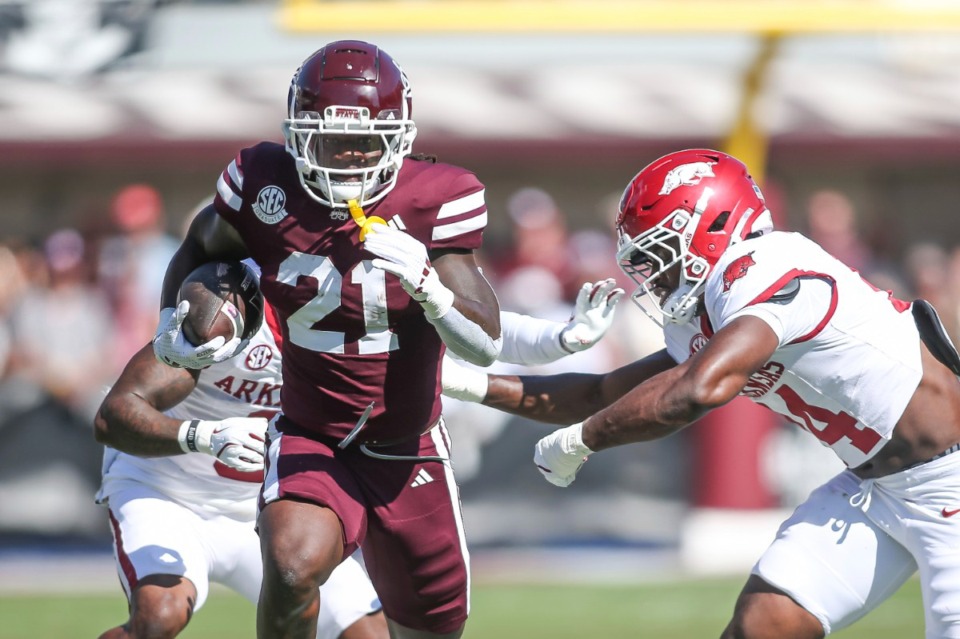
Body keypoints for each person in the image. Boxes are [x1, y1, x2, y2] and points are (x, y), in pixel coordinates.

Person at [441, 148, 960, 639]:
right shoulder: (711, 308)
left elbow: (698, 391)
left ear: (713, 226)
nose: (653, 277)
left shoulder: (769, 265)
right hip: (875, 489)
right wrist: (469, 383)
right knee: (759, 627)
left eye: (659, 253)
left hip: (950, 480)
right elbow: (601, 391)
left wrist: (582, 443)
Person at [148, 40, 505, 639]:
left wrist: (426, 284)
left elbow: (485, 341)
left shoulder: (434, 197)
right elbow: (200, 246)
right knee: (291, 566)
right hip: (313, 432)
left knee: (433, 627)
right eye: (330, 138)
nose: (348, 155)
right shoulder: (263, 182)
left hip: (407, 442)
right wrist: (168, 327)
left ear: (399, 135)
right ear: (296, 134)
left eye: (365, 139)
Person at [94, 260, 387, 639]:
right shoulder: (234, 305)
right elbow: (113, 416)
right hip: (169, 493)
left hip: (266, 508)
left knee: (371, 634)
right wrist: (203, 436)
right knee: (158, 618)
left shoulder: (357, 331)